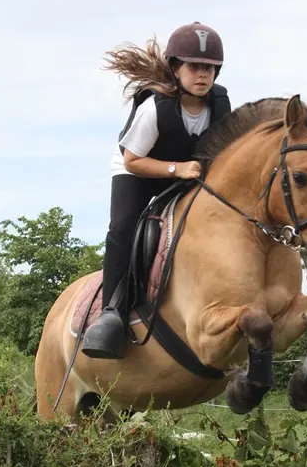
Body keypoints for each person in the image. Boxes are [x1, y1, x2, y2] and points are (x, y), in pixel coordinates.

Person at [81, 21, 233, 360]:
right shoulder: (155, 108)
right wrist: (176, 169)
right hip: (138, 169)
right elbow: (133, 159)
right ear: (176, 68)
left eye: (209, 68)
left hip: (186, 172)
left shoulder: (221, 107)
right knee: (122, 228)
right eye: (194, 67)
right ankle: (112, 314)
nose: (202, 75)